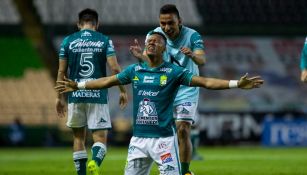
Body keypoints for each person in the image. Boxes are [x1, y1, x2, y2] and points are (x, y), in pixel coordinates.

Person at [55, 32, 264, 175]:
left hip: (163, 142)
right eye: (149, 41)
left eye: (156, 41)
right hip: (138, 141)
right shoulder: (135, 70)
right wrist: (79, 85)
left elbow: (206, 82)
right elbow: (106, 81)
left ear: (164, 48)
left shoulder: (173, 72)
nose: (151, 43)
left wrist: (237, 83)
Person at [130, 4, 206, 174]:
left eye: (171, 23)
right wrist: (139, 57)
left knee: (183, 129)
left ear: (180, 21)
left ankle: (185, 171)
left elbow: (202, 60)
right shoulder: (153, 35)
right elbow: (148, 63)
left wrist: (193, 55)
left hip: (186, 88)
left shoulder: (192, 35)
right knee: (161, 131)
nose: (166, 27)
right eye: (163, 23)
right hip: (163, 89)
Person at [55, 8, 128, 175]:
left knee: (79, 138)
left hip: (75, 95)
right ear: (97, 24)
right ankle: (95, 162)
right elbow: (115, 68)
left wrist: (59, 98)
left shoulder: (67, 41)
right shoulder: (104, 40)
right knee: (100, 138)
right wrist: (123, 90)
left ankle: (82, 174)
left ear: (79, 24)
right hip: (98, 95)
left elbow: (61, 72)